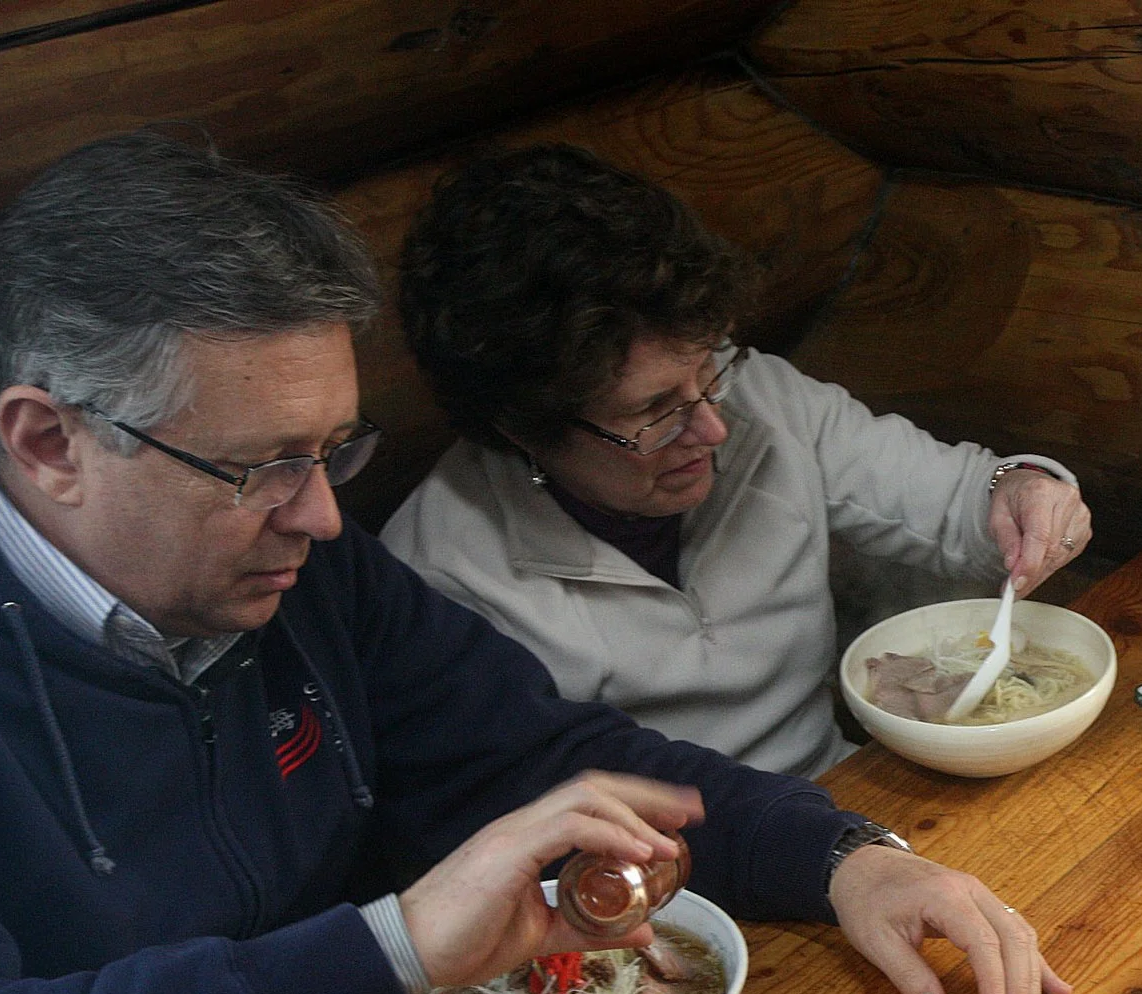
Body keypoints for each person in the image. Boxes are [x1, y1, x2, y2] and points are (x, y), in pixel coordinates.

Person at [0, 132, 1069, 994]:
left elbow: (538, 757)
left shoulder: (297, 565)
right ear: (48, 441)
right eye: (264, 465)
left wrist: (843, 855)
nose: (321, 515)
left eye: (333, 452)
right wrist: (396, 947)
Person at [379, 145, 1094, 780]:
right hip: (659, 886)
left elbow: (960, 502)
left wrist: (1021, 488)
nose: (714, 427)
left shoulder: (765, 400)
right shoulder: (441, 573)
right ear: (523, 426)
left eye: (709, 370)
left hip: (844, 798)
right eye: (655, 410)